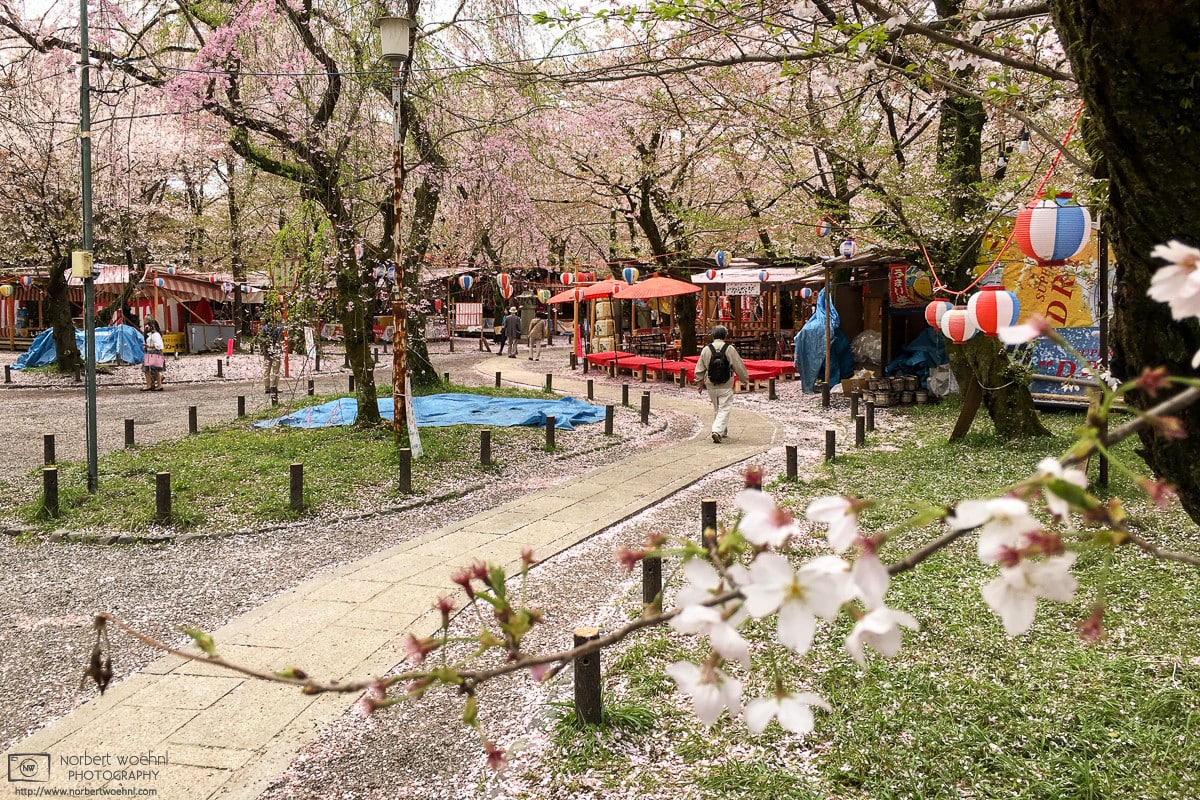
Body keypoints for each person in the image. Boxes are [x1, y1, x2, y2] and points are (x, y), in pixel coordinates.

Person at [693, 324, 750, 444]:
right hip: (726, 383)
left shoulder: (706, 349)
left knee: (717, 408)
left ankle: (722, 431)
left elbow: (700, 368)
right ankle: (717, 431)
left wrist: (699, 383)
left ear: (713, 335)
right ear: (725, 335)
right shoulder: (729, 349)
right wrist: (745, 379)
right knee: (724, 408)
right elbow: (738, 365)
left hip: (710, 383)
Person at [260, 317, 283, 394]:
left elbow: (260, 339)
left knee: (267, 369)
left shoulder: (263, 329)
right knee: (275, 369)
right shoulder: (277, 328)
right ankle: (274, 387)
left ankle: (267, 387)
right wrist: (280, 318)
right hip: (276, 350)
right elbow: (283, 327)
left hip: (266, 351)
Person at [141, 319, 165, 391]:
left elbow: (159, 345)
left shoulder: (156, 335)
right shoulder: (151, 334)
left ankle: (158, 385)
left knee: (156, 370)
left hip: (154, 352)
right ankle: (150, 384)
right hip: (150, 352)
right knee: (146, 369)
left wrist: (149, 346)